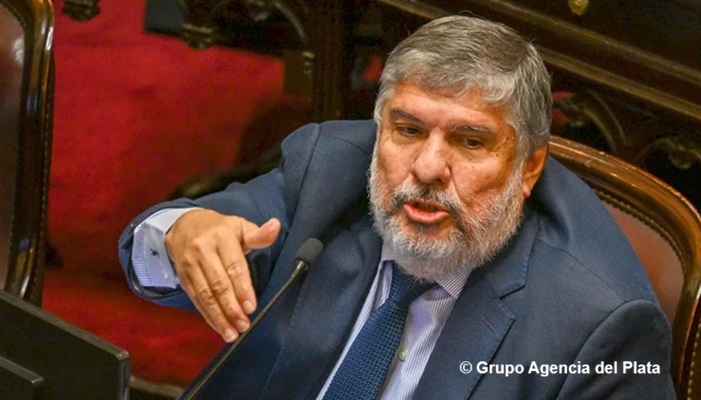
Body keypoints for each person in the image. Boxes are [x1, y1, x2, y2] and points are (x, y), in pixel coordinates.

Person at [119, 15, 676, 399]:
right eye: (408, 130)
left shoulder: (597, 324)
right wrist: (183, 231)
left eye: (470, 142)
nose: (428, 169)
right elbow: (154, 252)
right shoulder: (327, 176)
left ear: (528, 168)